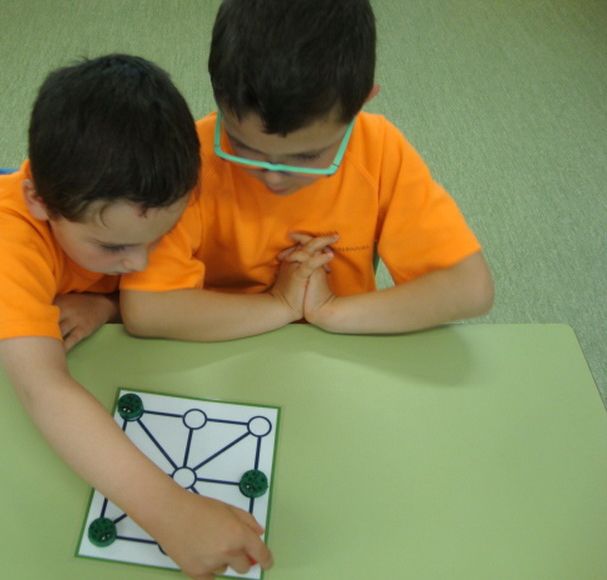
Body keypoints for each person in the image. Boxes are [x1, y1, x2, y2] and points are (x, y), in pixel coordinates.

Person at [0, 54, 272, 580]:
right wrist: (172, 512)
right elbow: (43, 389)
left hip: (87, 355)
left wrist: (106, 305)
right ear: (39, 201)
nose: (140, 263)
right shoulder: (2, 237)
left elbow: (147, 293)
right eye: (113, 247)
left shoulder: (147, 202)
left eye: (156, 239)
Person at [120, 0, 494, 341]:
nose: (273, 176)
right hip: (221, 346)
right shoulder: (188, 159)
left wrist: (329, 310)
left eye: (307, 155)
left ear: (361, 103)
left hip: (338, 342)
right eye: (244, 146)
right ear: (218, 94)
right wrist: (280, 304)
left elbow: (471, 289)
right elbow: (147, 310)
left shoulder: (379, 150)